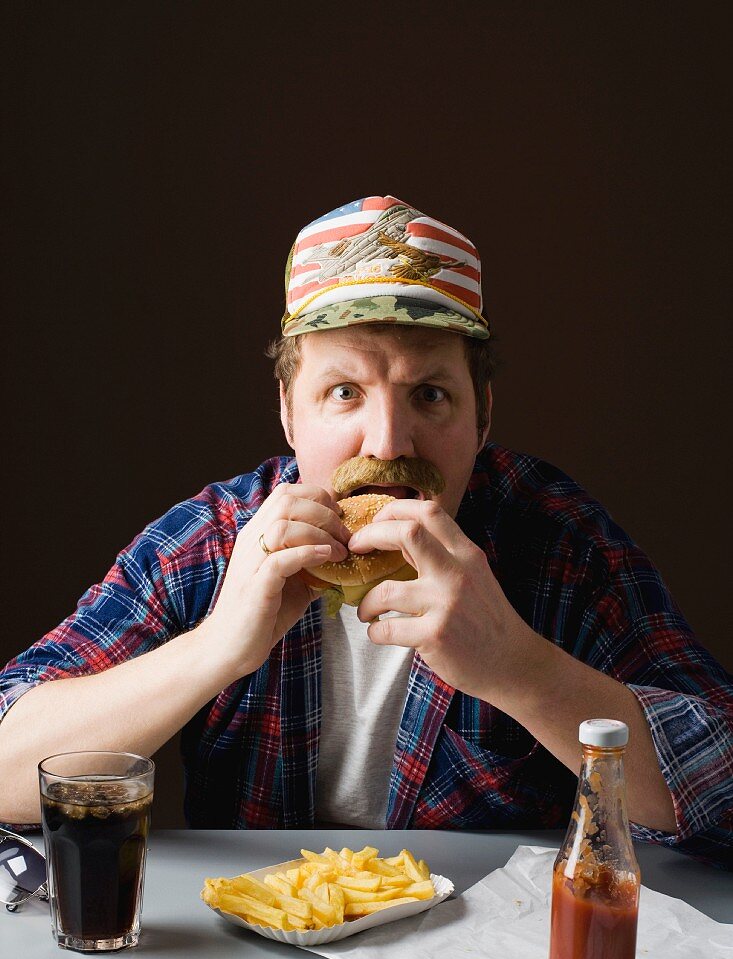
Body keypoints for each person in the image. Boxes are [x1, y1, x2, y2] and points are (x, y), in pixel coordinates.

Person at [1, 195, 731, 867]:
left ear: (482, 415)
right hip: (257, 950)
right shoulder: (215, 540)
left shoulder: (556, 542)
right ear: (289, 411)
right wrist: (214, 650)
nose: (386, 443)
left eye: (429, 395)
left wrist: (519, 666)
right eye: (343, 392)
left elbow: (723, 789)